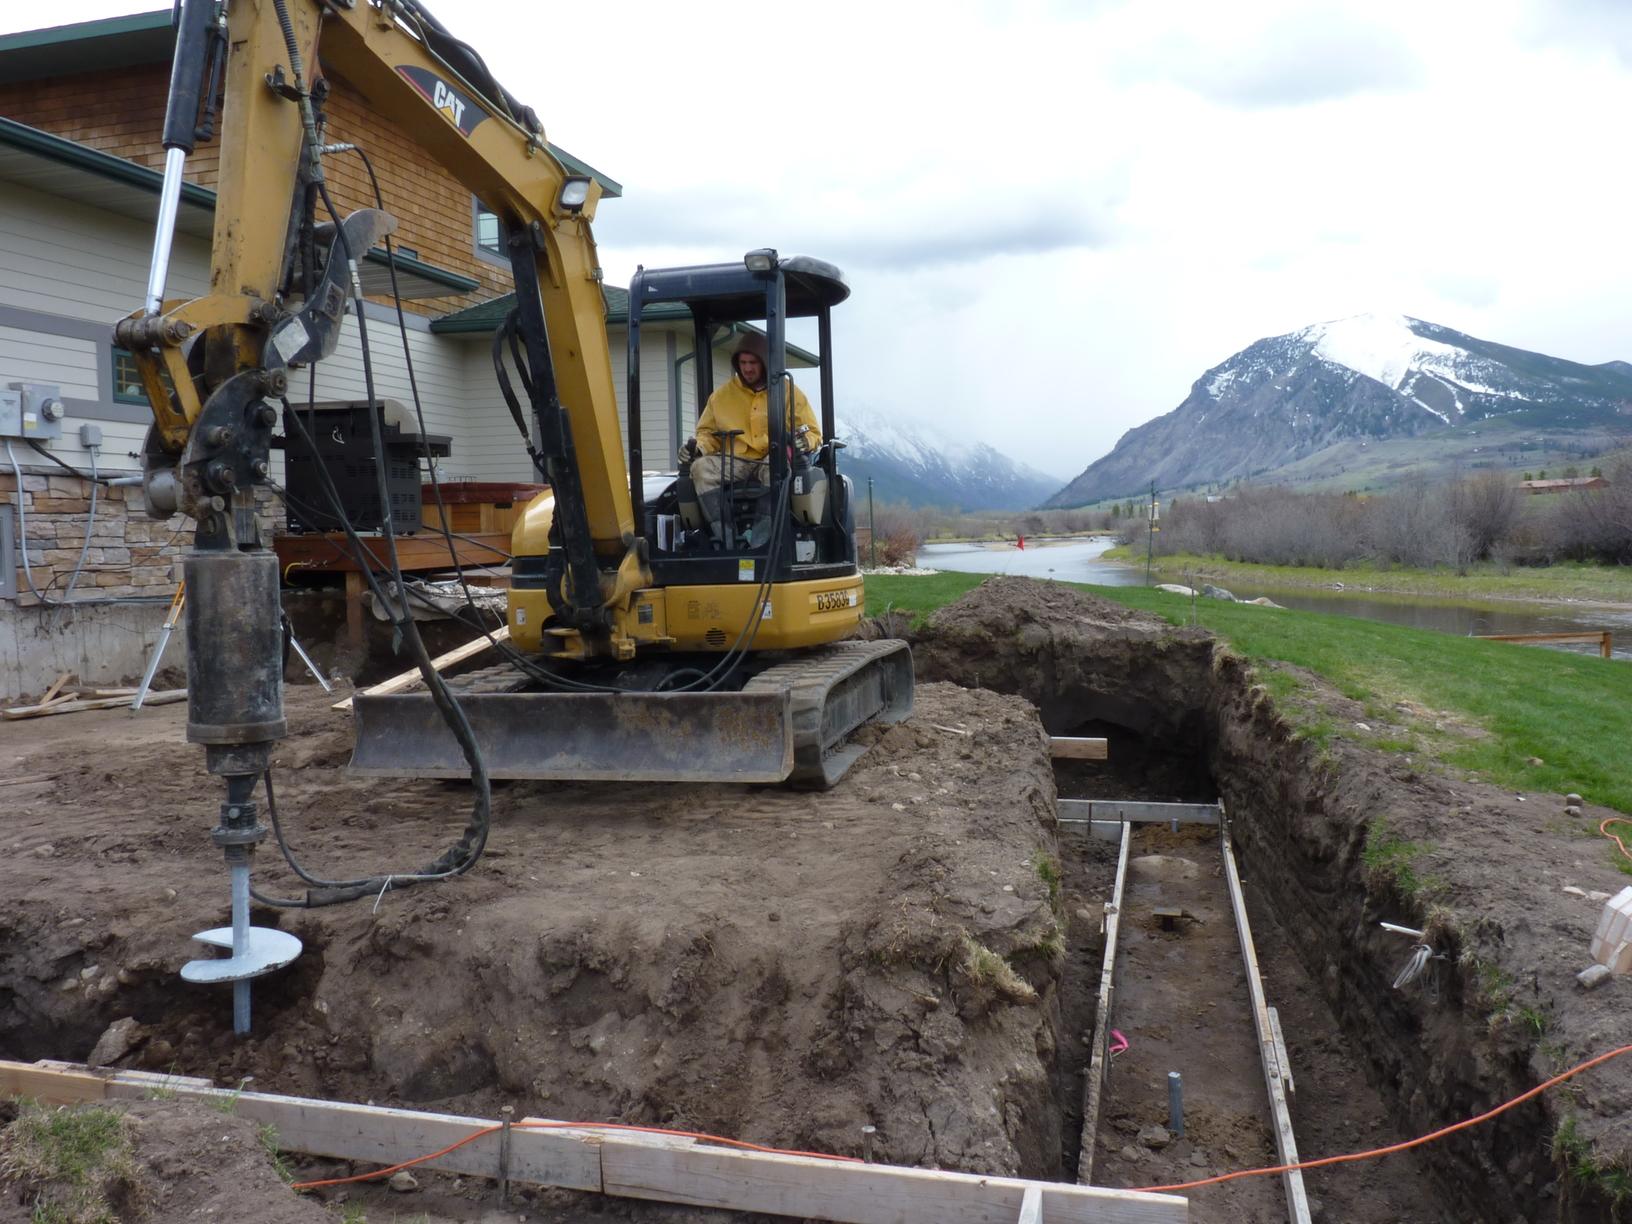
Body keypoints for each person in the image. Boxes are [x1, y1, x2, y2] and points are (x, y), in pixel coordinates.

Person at [681, 333, 822, 543]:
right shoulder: (721, 397)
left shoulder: (788, 392)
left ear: (765, 362)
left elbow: (812, 432)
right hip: (735, 461)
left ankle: (762, 542)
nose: (747, 369)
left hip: (771, 457)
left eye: (753, 362)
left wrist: (804, 441)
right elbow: (707, 434)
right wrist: (698, 448)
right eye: (743, 363)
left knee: (776, 467)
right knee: (700, 469)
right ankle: (727, 540)